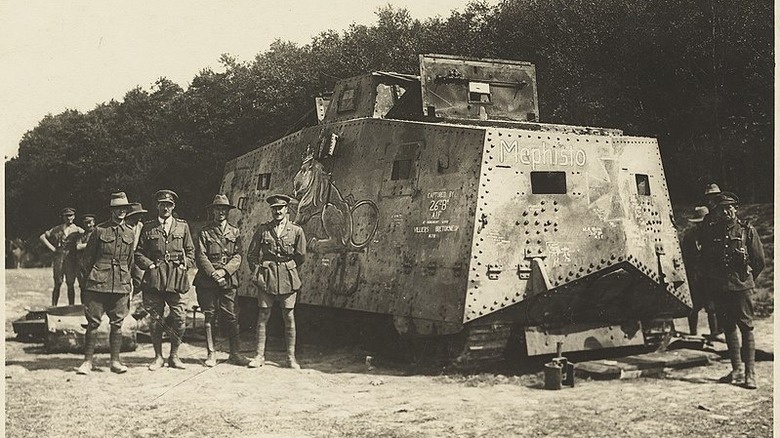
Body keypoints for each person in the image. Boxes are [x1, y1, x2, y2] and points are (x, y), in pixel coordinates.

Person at [699, 191, 765, 389]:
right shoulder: (712, 233)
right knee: (728, 328)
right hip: (720, 288)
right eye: (722, 209)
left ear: (736, 209)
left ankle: (749, 374)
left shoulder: (746, 231)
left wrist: (746, 281)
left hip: (741, 288)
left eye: (730, 207)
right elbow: (707, 261)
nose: (727, 211)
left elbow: (759, 261)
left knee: (746, 328)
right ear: (717, 212)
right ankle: (736, 370)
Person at [135, 190, 195, 371]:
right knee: (155, 319)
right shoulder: (148, 227)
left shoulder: (182, 226)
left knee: (180, 318)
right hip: (155, 279)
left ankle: (174, 356)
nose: (165, 207)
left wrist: (186, 265)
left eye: (169, 204)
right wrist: (150, 265)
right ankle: (158, 357)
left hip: (176, 279)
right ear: (157, 206)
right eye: (162, 204)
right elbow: (138, 253)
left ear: (173, 207)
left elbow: (191, 251)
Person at [76, 193, 135, 375]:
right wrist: (88, 283)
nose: (121, 212)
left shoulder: (130, 232)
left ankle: (115, 361)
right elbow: (87, 259)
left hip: (120, 284)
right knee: (93, 323)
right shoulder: (100, 230)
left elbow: (130, 261)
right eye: (118, 209)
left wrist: (127, 281)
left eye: (124, 208)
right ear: (112, 211)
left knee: (117, 324)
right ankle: (87, 361)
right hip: (97, 284)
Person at [246, 194, 306, 369]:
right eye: (274, 208)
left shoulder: (296, 231)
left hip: (287, 278)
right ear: (271, 210)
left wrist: (290, 268)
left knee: (288, 316)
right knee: (263, 315)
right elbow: (252, 254)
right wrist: (258, 272)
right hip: (267, 277)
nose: (277, 211)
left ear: (287, 209)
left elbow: (301, 255)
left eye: (281, 208)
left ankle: (290, 358)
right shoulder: (262, 230)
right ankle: (258, 356)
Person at [194, 194, 250, 367]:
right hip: (207, 281)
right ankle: (211, 354)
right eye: (218, 209)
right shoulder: (205, 232)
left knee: (231, 316)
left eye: (224, 210)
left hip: (228, 279)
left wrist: (224, 271)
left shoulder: (235, 232)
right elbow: (201, 255)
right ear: (213, 211)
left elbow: (238, 255)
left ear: (228, 212)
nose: (221, 212)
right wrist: (213, 273)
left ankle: (235, 353)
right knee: (209, 316)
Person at [681, 206, 718, 337]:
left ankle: (714, 332)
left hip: (709, 276)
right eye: (698, 222)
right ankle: (693, 333)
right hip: (694, 276)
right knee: (694, 306)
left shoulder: (714, 235)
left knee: (711, 306)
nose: (701, 225)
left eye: (703, 222)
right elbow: (684, 256)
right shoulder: (689, 236)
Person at [39, 207, 84, 306]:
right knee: (57, 283)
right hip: (58, 258)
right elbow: (42, 237)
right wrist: (52, 248)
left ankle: (71, 306)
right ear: (63, 217)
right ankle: (54, 306)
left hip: (71, 259)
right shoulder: (57, 229)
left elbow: (86, 238)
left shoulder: (78, 230)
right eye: (66, 216)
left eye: (71, 215)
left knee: (70, 283)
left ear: (74, 217)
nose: (69, 218)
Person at [75, 213, 97, 303]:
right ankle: (83, 307)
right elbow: (77, 247)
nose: (88, 225)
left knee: (94, 288)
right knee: (83, 287)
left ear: (94, 222)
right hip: (83, 265)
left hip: (95, 264)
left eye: (90, 222)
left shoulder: (97, 233)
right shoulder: (82, 235)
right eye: (85, 223)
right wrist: (90, 245)